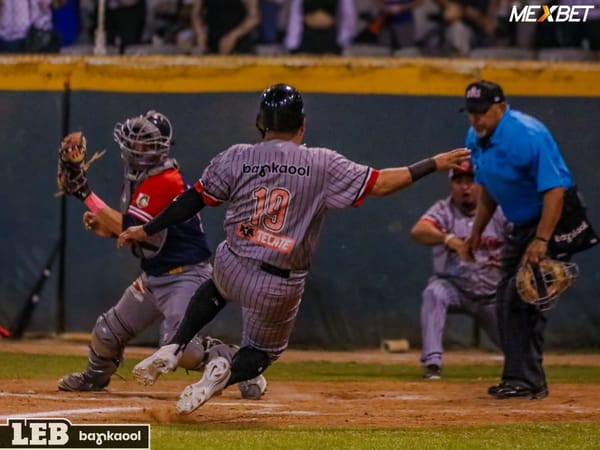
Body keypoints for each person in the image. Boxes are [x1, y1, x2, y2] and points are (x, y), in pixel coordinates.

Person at [117, 83, 470, 414]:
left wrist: (146, 228)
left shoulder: (236, 156)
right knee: (261, 352)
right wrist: (433, 164)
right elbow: (383, 184)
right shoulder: (322, 163)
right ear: (302, 124)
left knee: (215, 288)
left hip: (234, 262)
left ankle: (174, 345)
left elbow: (191, 200)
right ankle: (222, 374)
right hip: (278, 281)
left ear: (260, 123)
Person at [57, 110, 266, 400]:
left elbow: (132, 227)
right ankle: (94, 378)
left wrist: (85, 194)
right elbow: (128, 233)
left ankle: (235, 359)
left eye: (143, 144)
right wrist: (100, 222)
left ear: (158, 148)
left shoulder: (165, 180)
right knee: (107, 333)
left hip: (185, 276)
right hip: (155, 276)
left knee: (178, 349)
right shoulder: (138, 178)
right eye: (133, 143)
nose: (134, 149)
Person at [460, 80, 575, 399]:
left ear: (500, 107)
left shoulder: (528, 134)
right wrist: (476, 231)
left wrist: (541, 239)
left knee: (525, 298)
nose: (475, 119)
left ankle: (529, 381)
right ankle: (518, 378)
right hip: (520, 224)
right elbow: (488, 190)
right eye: (471, 113)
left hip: (551, 221)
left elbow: (555, 189)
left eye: (482, 112)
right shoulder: (477, 137)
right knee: (506, 299)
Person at [410, 159, 508, 380]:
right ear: (451, 185)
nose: (465, 187)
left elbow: (520, 234)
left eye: (471, 180)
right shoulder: (443, 210)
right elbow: (418, 231)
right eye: (459, 180)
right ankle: (432, 363)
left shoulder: (499, 211)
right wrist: (448, 238)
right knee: (434, 292)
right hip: (455, 288)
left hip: (492, 295)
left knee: (517, 351)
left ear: (482, 183)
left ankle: (520, 367)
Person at [284, 0, 356, 54]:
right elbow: (295, 16)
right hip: (307, 37)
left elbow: (348, 15)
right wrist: (292, 44)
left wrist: (343, 42)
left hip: (330, 38)